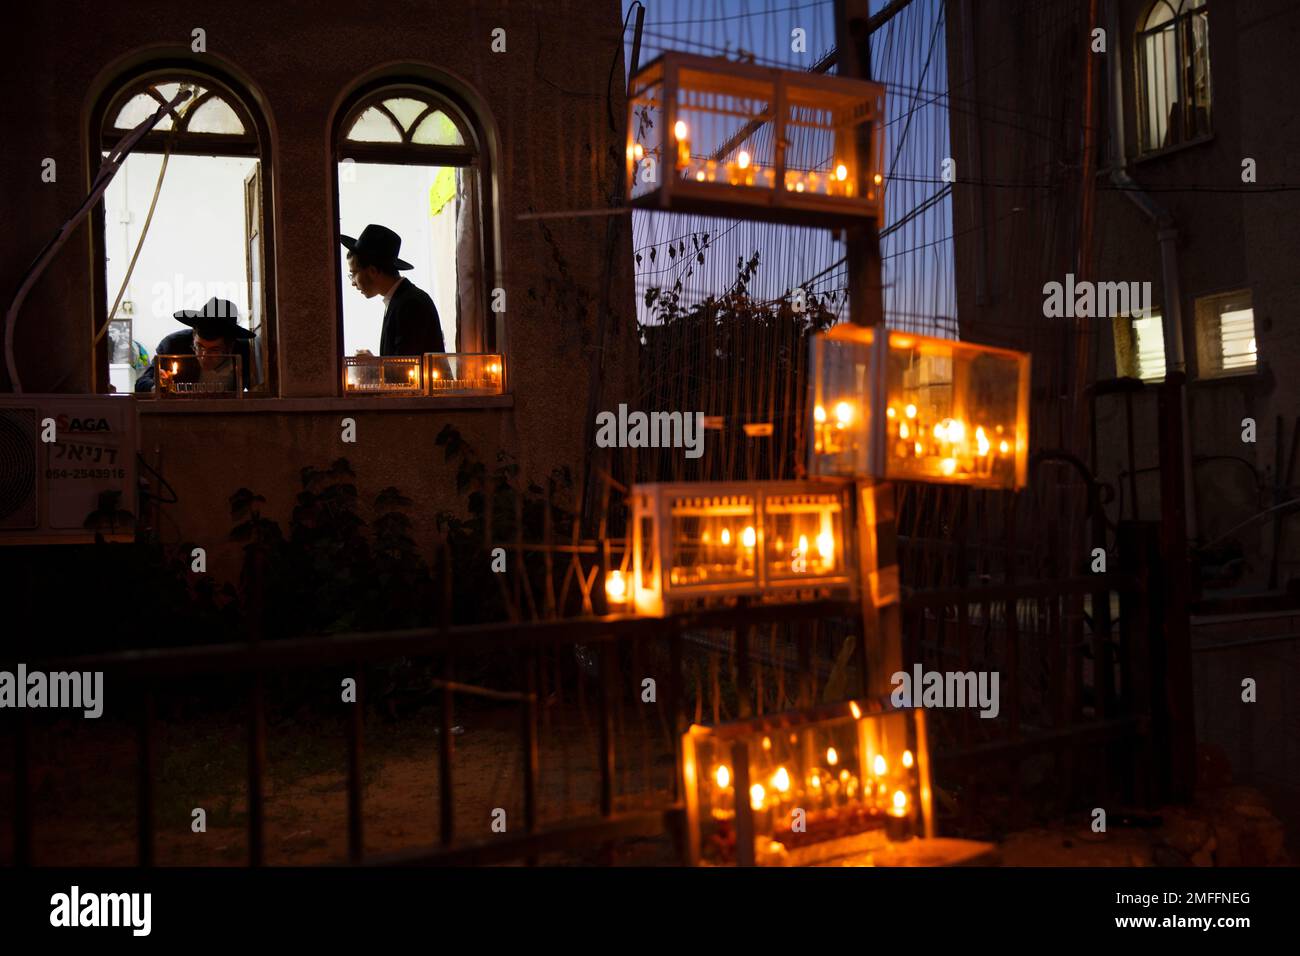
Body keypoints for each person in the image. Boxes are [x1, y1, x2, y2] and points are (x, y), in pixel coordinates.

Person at [341, 224, 446, 357]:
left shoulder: (410, 304)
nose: (352, 282)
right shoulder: (402, 299)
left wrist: (374, 366)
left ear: (373, 271)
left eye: (354, 273)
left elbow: (406, 367)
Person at [135, 297, 254, 393]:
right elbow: (141, 384)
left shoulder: (244, 352)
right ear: (193, 337)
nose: (204, 356)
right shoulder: (174, 346)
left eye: (214, 350)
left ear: (230, 347)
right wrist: (157, 387)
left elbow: (255, 389)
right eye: (199, 346)